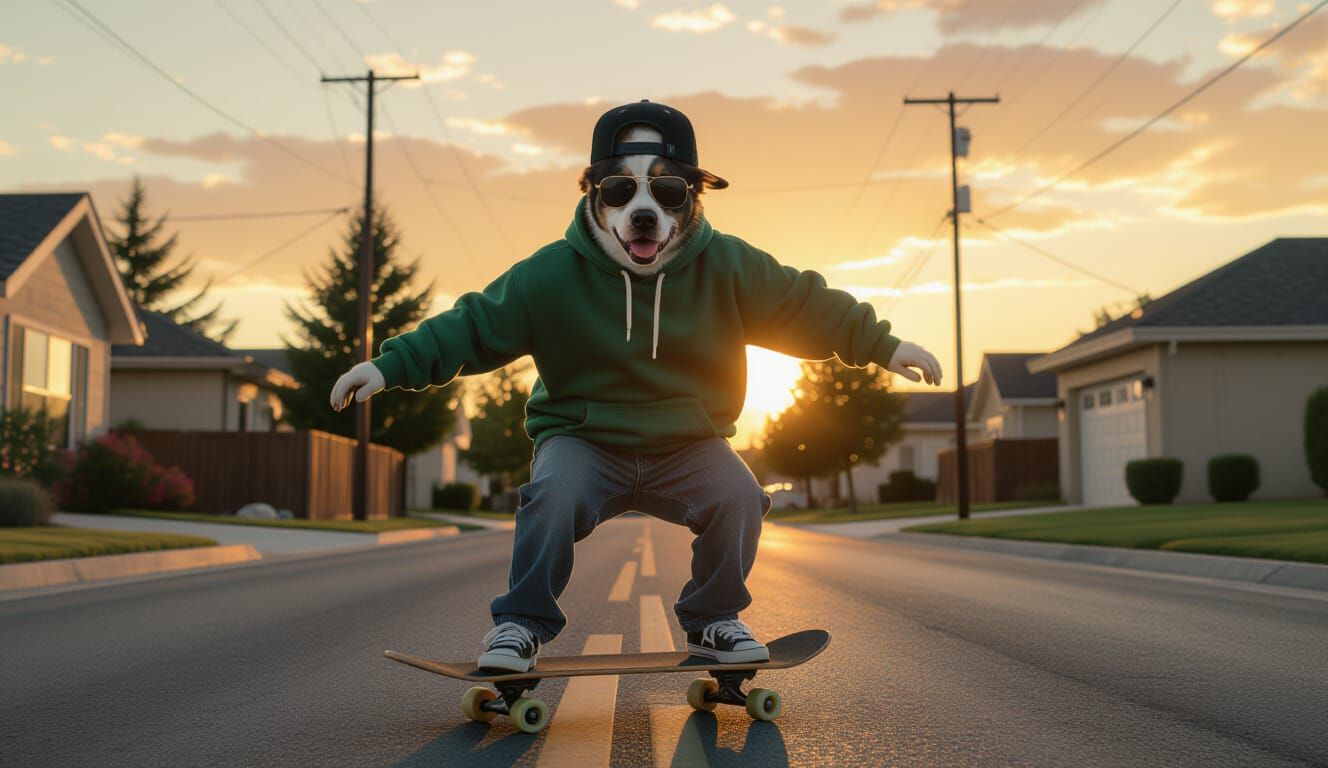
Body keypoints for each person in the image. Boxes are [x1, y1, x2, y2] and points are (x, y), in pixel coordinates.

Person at [330, 100, 942, 672]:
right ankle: (518, 625)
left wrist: (883, 346)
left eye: (667, 191)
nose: (642, 211)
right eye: (622, 191)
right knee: (551, 493)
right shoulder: (550, 275)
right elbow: (472, 325)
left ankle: (713, 620)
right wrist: (388, 366)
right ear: (595, 196)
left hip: (689, 443)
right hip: (583, 440)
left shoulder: (728, 265)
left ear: (693, 198)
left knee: (741, 495)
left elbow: (802, 305)